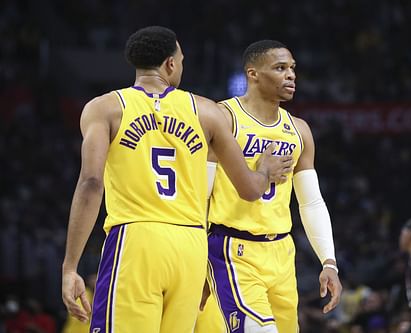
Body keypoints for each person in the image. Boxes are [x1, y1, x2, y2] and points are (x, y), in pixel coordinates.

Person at [61, 26, 293, 333]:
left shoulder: (105, 108)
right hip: (191, 246)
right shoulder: (207, 112)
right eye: (181, 59)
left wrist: (70, 266)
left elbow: (91, 183)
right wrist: (265, 171)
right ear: (171, 63)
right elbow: (250, 189)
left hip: (137, 238)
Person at [195, 40, 342, 333]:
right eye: (280, 68)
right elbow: (200, 195)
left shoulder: (299, 130)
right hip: (231, 248)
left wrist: (329, 262)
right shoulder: (224, 118)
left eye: (292, 69)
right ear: (253, 74)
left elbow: (311, 202)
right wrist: (196, 260)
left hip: (282, 253)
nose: (291, 75)